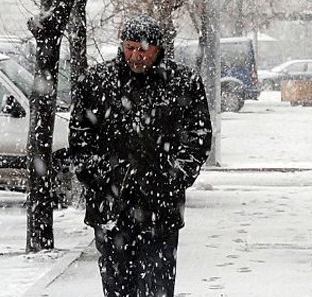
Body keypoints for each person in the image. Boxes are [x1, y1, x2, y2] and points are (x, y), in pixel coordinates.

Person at [69, 15, 213, 297]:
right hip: (110, 207)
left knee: (158, 285)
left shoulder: (182, 83)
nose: (136, 56)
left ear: (158, 49)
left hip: (160, 209)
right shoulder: (96, 82)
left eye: (143, 49)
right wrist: (100, 178)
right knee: (117, 285)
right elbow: (80, 139)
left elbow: (198, 139)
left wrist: (172, 179)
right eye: (130, 47)